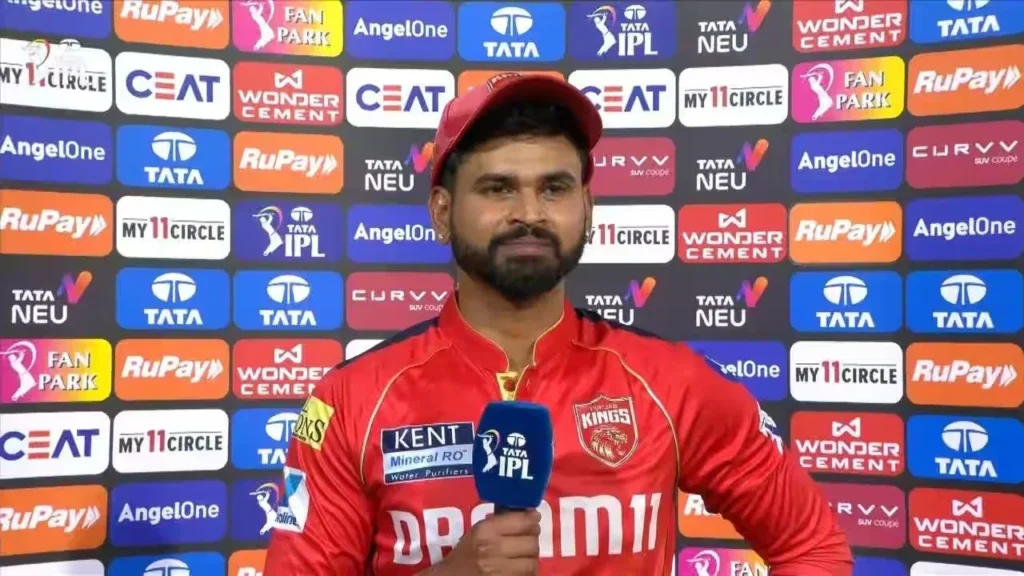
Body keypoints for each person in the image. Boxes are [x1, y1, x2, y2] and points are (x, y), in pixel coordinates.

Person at [264, 73, 854, 576]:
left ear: (587, 208)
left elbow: (814, 548)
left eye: (555, 188)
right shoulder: (351, 400)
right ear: (442, 212)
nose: (529, 213)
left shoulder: (668, 381)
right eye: (498, 188)